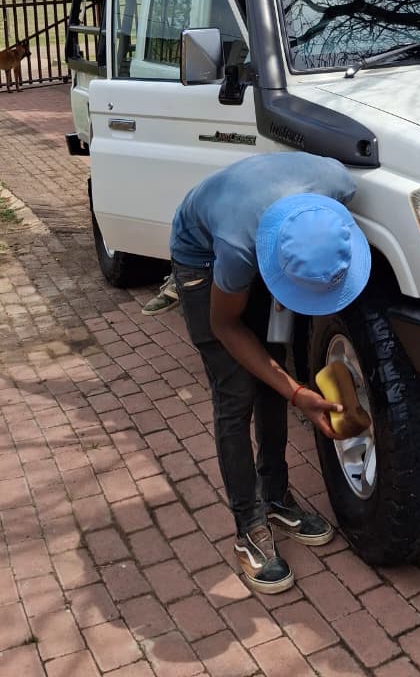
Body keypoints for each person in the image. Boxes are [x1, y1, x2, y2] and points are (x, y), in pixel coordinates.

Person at [170, 152, 371, 594]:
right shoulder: (237, 247)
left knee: (272, 380)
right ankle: (248, 527)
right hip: (203, 262)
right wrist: (300, 392)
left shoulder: (339, 184)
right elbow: (225, 326)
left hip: (267, 234)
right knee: (236, 393)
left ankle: (277, 499)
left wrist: (288, 385)